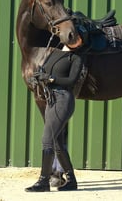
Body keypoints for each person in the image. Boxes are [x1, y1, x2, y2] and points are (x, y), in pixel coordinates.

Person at [25, 48, 83, 192]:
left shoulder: (76, 58)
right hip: (51, 98)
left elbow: (71, 80)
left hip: (63, 99)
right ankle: (71, 181)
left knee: (47, 139)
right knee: (58, 143)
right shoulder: (53, 53)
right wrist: (38, 77)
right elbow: (46, 71)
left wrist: (51, 79)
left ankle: (43, 181)